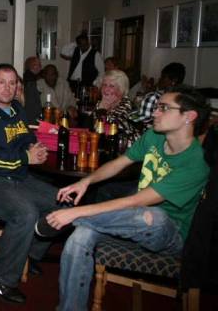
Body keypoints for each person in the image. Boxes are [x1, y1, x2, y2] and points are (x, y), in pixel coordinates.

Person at [43, 85, 211, 311]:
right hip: (127, 221)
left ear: (189, 116)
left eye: (164, 108)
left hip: (169, 235)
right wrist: (86, 181)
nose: (155, 112)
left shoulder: (196, 164)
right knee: (80, 236)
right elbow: (119, 163)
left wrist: (75, 212)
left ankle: (67, 218)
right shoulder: (154, 137)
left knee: (154, 216)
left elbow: (136, 201)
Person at [0, 63, 60, 304]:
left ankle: (30, 253)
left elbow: (26, 137)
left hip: (14, 176)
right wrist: (25, 158)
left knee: (62, 201)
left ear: (17, 87)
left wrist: (34, 147)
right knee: (25, 213)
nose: (7, 88)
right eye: (2, 82)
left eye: (12, 83)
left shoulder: (17, 108)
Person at [93, 69, 142, 143]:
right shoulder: (101, 103)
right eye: (104, 85)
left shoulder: (128, 108)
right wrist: (101, 108)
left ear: (121, 89)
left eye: (111, 86)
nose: (106, 89)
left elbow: (113, 132)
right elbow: (90, 128)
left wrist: (102, 110)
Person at [133, 62, 186, 127]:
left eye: (163, 77)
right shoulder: (184, 98)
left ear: (173, 81)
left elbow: (142, 121)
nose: (160, 79)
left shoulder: (154, 97)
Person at [23, 56, 43, 124]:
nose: (40, 67)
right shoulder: (30, 80)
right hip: (31, 117)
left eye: (40, 64)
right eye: (37, 64)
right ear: (30, 66)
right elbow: (32, 103)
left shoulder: (32, 78)